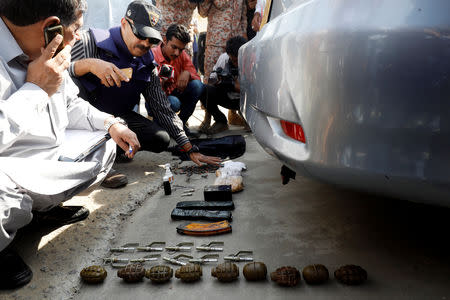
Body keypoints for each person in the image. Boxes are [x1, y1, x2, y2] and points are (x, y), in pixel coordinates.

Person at [0, 0, 140, 289]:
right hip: (6, 170)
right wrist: (35, 89)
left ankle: (39, 211)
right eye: (75, 29)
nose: (77, 37)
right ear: (50, 26)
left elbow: (72, 104)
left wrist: (109, 124)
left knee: (106, 143)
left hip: (35, 162)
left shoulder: (50, 49)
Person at [70, 1, 221, 166]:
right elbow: (56, 79)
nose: (145, 44)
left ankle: (112, 149)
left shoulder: (147, 64)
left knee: (160, 138)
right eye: (140, 35)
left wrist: (188, 147)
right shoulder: (89, 42)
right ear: (124, 24)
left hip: (119, 117)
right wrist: (89, 65)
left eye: (151, 40)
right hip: (82, 119)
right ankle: (94, 156)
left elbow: (162, 108)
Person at [151, 24, 204, 134]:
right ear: (165, 40)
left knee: (198, 86)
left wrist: (187, 73)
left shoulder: (182, 55)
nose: (177, 53)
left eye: (181, 49)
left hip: (175, 94)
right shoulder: (152, 55)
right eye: (174, 47)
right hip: (156, 98)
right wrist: (160, 83)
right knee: (174, 103)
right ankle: (163, 124)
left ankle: (180, 124)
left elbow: (197, 78)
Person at [200, 36, 248, 134]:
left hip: (246, 102)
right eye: (233, 60)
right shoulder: (224, 59)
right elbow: (211, 80)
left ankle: (248, 119)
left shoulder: (252, 61)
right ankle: (220, 121)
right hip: (227, 97)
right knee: (204, 89)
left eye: (238, 60)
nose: (236, 64)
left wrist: (239, 87)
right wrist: (218, 81)